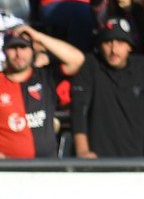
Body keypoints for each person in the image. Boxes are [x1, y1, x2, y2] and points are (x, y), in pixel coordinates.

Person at [72, 17, 144, 158]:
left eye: (120, 43)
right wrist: (82, 151)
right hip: (97, 162)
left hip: (134, 161)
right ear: (100, 46)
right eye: (108, 43)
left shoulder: (143, 67)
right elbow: (79, 108)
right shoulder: (90, 65)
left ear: (129, 46)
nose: (114, 50)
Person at [0, 24, 84, 160]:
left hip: (46, 168)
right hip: (9, 171)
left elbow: (77, 59)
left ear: (32, 50)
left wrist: (38, 36)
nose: (18, 53)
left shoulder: (45, 77)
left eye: (23, 47)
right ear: (4, 51)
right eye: (13, 48)